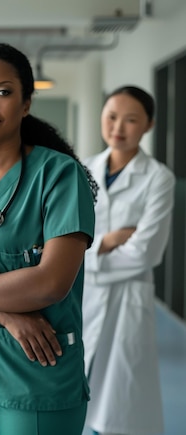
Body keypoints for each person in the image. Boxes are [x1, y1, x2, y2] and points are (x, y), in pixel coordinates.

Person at [0, 42, 97, 435]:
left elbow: (50, 282)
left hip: (37, 372)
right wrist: (2, 311)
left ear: (26, 103)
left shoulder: (59, 176)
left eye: (3, 92)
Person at [82, 86, 175, 435]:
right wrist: (106, 241)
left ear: (148, 124)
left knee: (123, 404)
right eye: (111, 116)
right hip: (83, 297)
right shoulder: (83, 168)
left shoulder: (158, 178)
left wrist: (86, 258)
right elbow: (60, 240)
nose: (118, 126)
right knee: (74, 395)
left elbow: (146, 252)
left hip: (127, 301)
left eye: (131, 119)